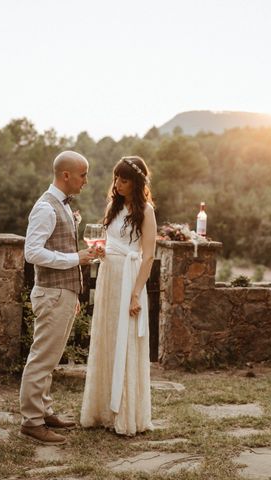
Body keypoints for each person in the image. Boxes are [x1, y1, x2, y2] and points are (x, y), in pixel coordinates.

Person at [20, 150, 95, 445]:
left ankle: (44, 410)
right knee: (41, 359)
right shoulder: (46, 207)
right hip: (51, 293)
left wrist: (73, 290)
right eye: (83, 174)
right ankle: (31, 422)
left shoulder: (62, 206)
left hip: (62, 293)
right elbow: (32, 252)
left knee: (49, 359)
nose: (85, 181)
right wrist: (76, 258)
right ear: (66, 175)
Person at [80, 155, 156, 436]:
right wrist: (100, 253)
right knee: (107, 338)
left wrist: (136, 294)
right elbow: (108, 242)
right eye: (116, 178)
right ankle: (101, 410)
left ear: (136, 182)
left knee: (125, 341)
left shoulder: (146, 211)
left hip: (129, 280)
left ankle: (126, 413)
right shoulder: (113, 206)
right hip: (109, 277)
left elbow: (148, 256)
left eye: (123, 179)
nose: (117, 183)